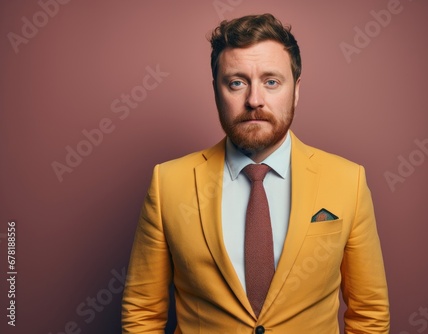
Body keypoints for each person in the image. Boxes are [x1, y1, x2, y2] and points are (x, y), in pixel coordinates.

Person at [122, 13, 389, 334]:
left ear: (296, 90)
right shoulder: (169, 182)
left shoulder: (348, 181)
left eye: (271, 82)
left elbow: (369, 311)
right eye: (237, 82)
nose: (254, 100)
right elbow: (143, 311)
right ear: (216, 91)